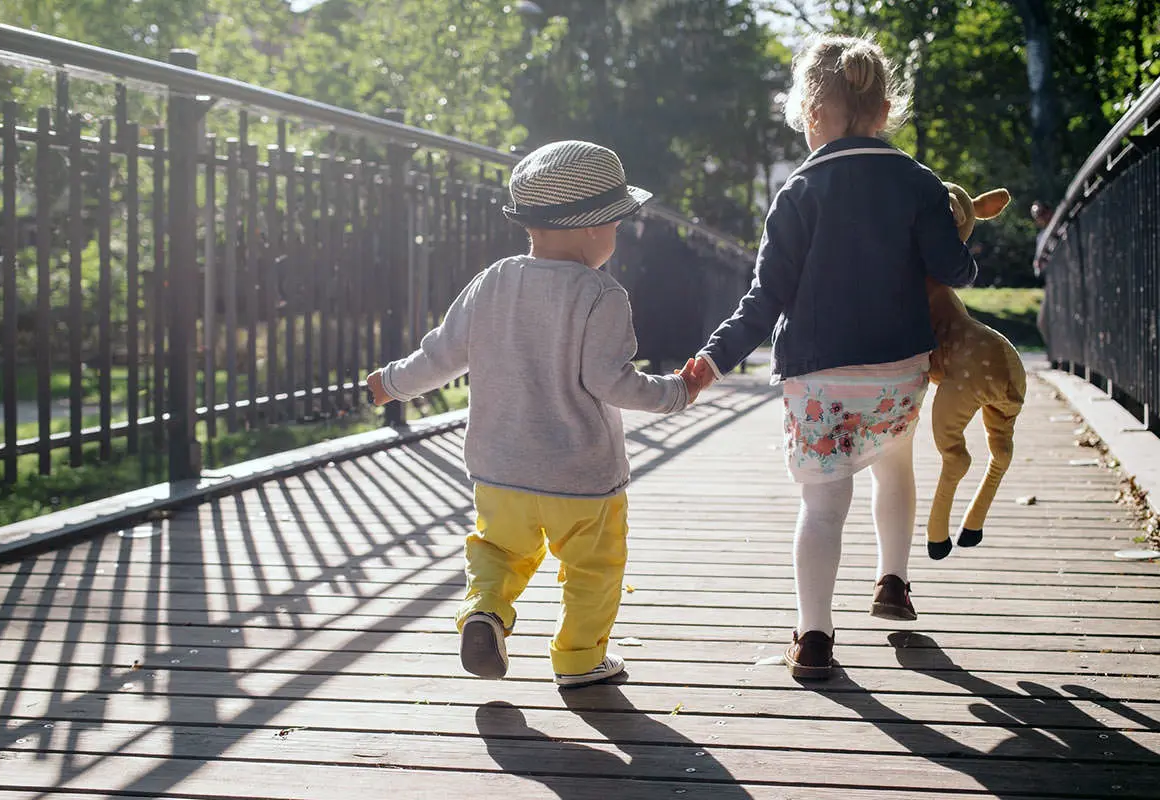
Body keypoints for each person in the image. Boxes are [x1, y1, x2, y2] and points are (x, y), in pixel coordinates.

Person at [684, 35, 979, 679]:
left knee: (822, 506)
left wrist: (712, 361)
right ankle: (893, 583)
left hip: (819, 377)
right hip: (897, 369)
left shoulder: (799, 191)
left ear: (815, 110)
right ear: (883, 110)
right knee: (893, 464)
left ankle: (814, 638)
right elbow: (954, 269)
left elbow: (765, 298)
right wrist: (961, 230)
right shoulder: (919, 182)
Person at [367, 140, 701, 688]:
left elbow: (441, 356)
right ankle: (578, 658)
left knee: (498, 551)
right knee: (592, 570)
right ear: (594, 228)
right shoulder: (602, 294)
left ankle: (486, 612)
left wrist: (391, 382)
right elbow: (610, 382)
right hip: (582, 479)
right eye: (616, 223)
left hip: (500, 471)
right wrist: (676, 393)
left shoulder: (492, 280)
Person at [1031, 200, 1054, 343]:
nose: (1040, 218)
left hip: (1064, 282)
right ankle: (1053, 352)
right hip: (1049, 283)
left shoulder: (1061, 230)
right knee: (1043, 322)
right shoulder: (1041, 237)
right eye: (1036, 216)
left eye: (1041, 214)